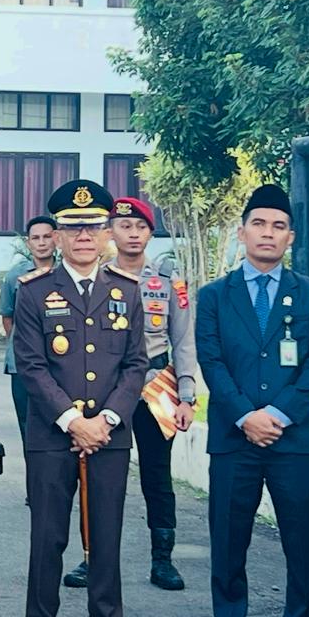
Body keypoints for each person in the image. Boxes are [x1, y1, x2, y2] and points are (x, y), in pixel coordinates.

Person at [196, 184, 309, 617]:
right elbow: (211, 361)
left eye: (278, 226)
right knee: (228, 548)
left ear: (290, 237)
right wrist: (244, 416)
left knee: (303, 549)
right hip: (234, 441)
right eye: (259, 224)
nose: (268, 233)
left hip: (293, 442)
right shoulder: (215, 296)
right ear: (242, 232)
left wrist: (275, 414)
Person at [13, 179, 149, 617]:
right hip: (52, 437)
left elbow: (136, 365)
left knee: (106, 541)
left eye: (92, 226)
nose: (84, 236)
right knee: (47, 539)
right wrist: (73, 421)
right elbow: (31, 366)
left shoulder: (126, 291)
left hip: (109, 437)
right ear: (58, 235)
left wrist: (106, 420)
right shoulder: (34, 292)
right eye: (73, 228)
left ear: (107, 232)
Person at [63, 197, 197, 592]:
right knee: (100, 477)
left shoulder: (168, 280)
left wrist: (187, 395)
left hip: (155, 386)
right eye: (124, 226)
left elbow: (183, 339)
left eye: (141, 227)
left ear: (151, 234)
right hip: (107, 388)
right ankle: (93, 557)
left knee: (158, 475)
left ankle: (163, 560)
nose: (133, 234)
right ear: (110, 232)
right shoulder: (97, 277)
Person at [0, 215, 57, 441]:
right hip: (22, 364)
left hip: (59, 361)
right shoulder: (16, 275)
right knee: (28, 424)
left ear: (56, 239)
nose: (41, 243)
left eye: (47, 237)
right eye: (36, 238)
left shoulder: (65, 272)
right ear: (28, 242)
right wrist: (22, 347)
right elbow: (7, 316)